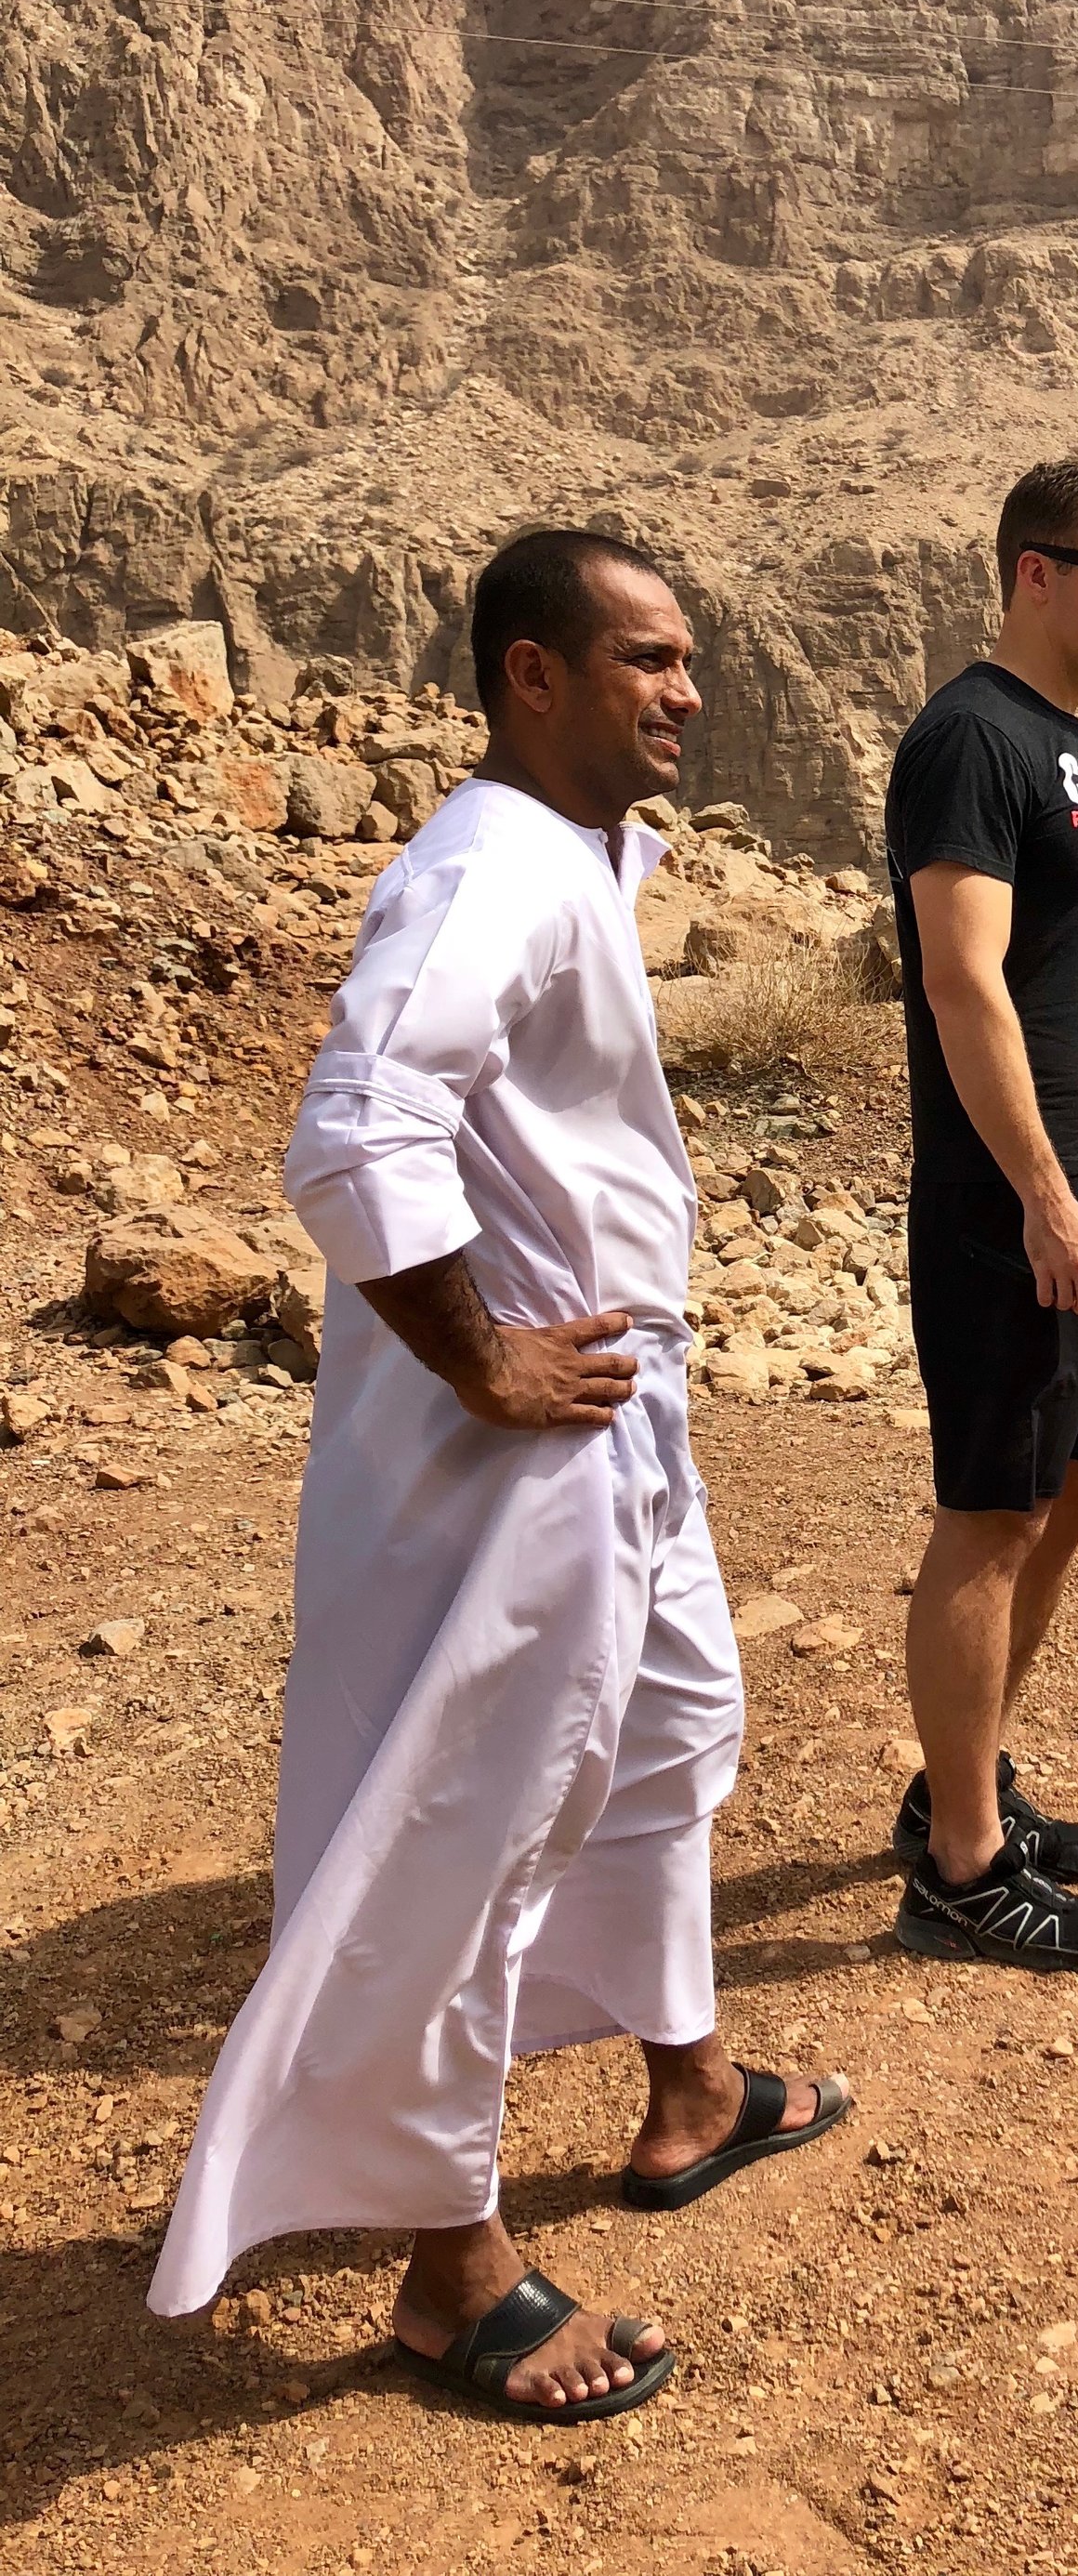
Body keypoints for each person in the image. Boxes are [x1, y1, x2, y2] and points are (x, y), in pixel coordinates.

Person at [148, 531, 849, 2422]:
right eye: (645, 659)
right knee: (480, 1819)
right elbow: (357, 1118)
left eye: (690, 654)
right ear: (530, 675)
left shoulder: (572, 851)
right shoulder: (479, 874)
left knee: (672, 1727)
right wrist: (480, 1350)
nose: (686, 690)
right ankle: (450, 2272)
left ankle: (687, 2084)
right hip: (511, 1453)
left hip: (618, 1418)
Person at [882, 458, 1078, 1974]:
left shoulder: (1068, 748)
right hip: (1013, 1192)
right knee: (992, 1514)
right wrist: (1045, 1191)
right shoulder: (970, 739)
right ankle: (961, 1869)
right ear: (1030, 575)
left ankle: (963, 1781)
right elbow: (960, 975)